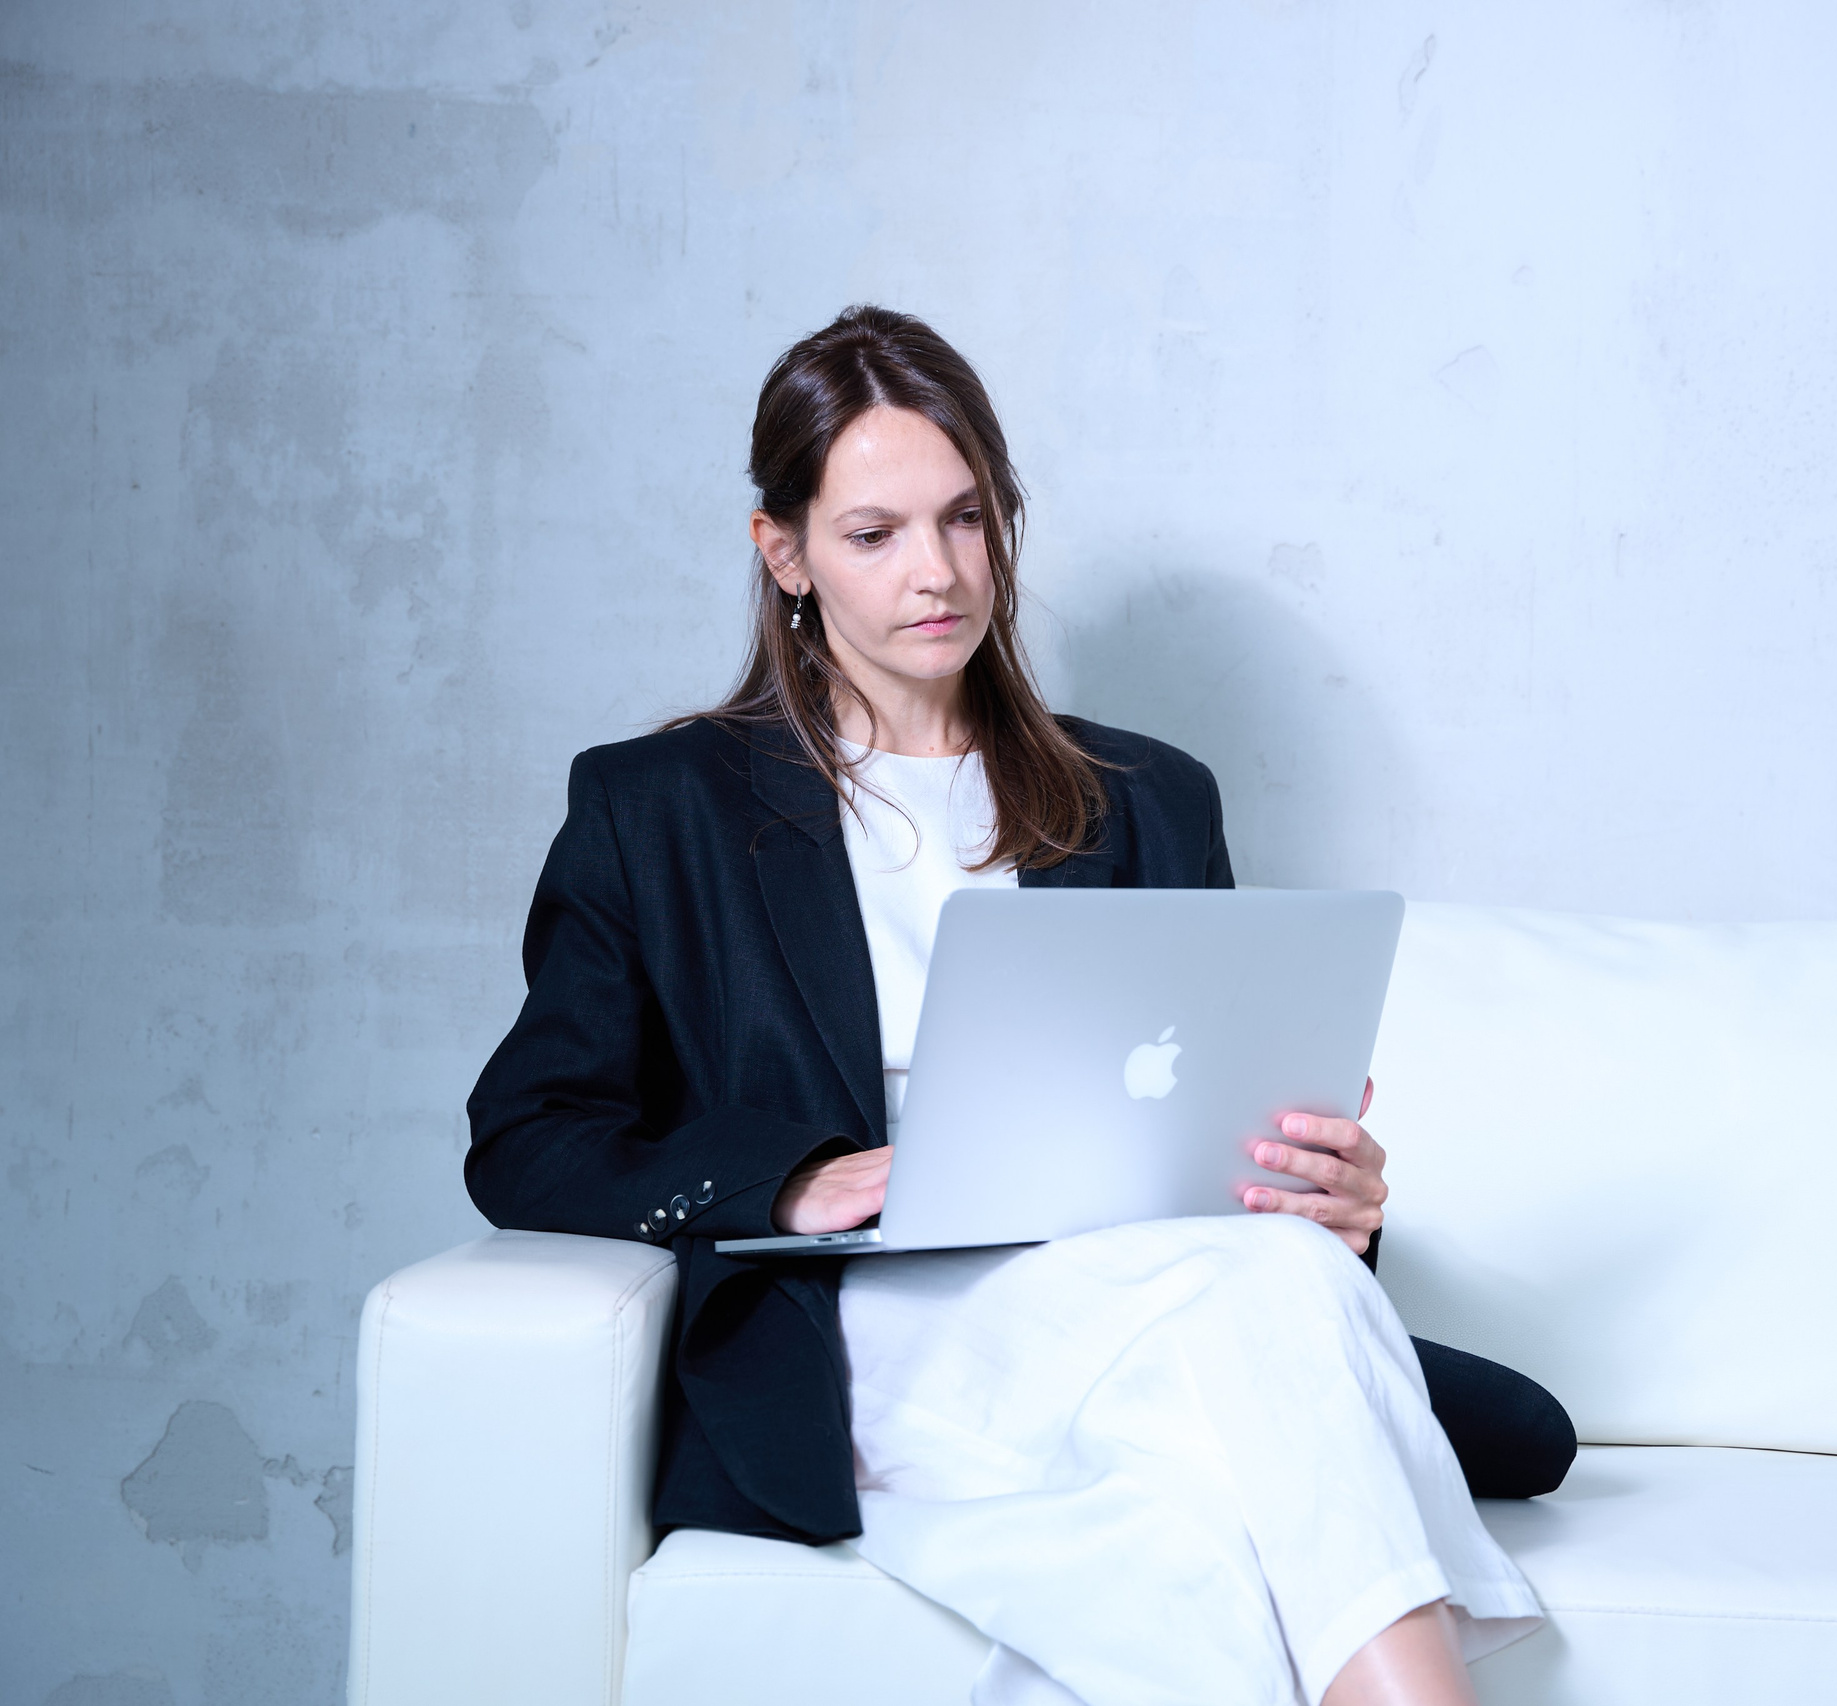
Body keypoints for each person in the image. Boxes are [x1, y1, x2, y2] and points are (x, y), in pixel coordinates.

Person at [465, 306, 1573, 1706]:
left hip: (1152, 1296)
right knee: (1274, 1399)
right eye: (874, 535)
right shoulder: (657, 810)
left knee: (1199, 1502)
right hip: (875, 1328)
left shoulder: (1150, 798)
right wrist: (795, 1179)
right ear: (785, 553)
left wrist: (1323, 1204)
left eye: (966, 520)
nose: (936, 573)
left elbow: (1203, 1108)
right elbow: (525, 1136)